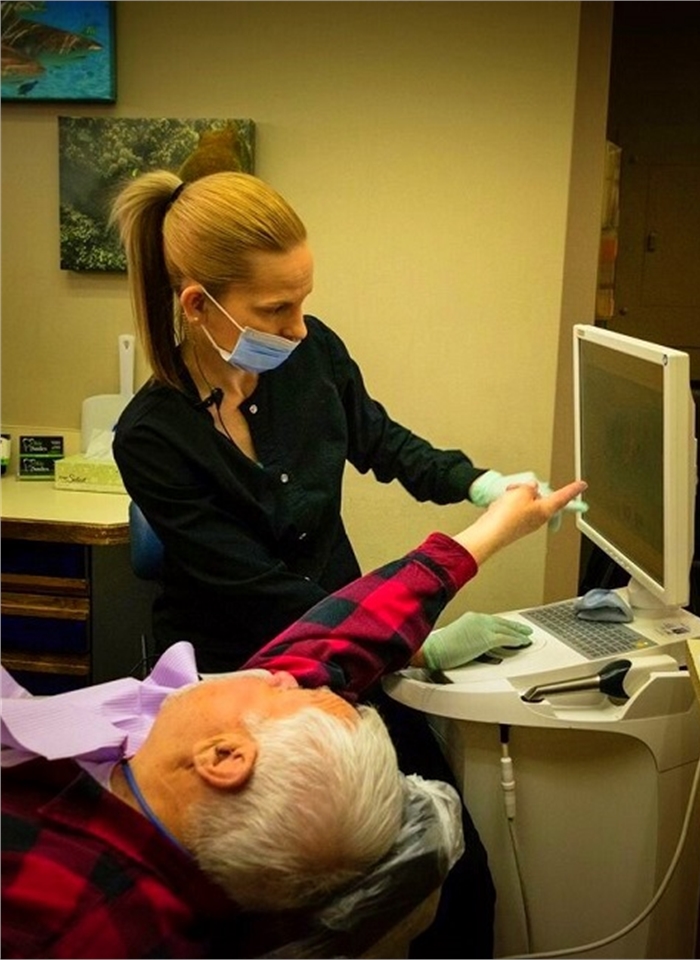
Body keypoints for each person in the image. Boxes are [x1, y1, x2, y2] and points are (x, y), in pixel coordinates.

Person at [109, 167, 585, 957]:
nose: (298, 328)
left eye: (303, 301)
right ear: (200, 305)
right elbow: (261, 594)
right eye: (276, 309)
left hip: (358, 647)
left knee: (454, 864)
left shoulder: (308, 354)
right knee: (281, 899)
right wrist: (416, 638)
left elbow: (376, 437)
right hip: (245, 682)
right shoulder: (151, 437)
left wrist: (477, 482)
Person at [1, 479, 587, 960]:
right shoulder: (193, 801)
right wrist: (496, 530)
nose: (285, 675)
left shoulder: (63, 921)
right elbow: (331, 648)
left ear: (225, 759)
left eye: (286, 694)